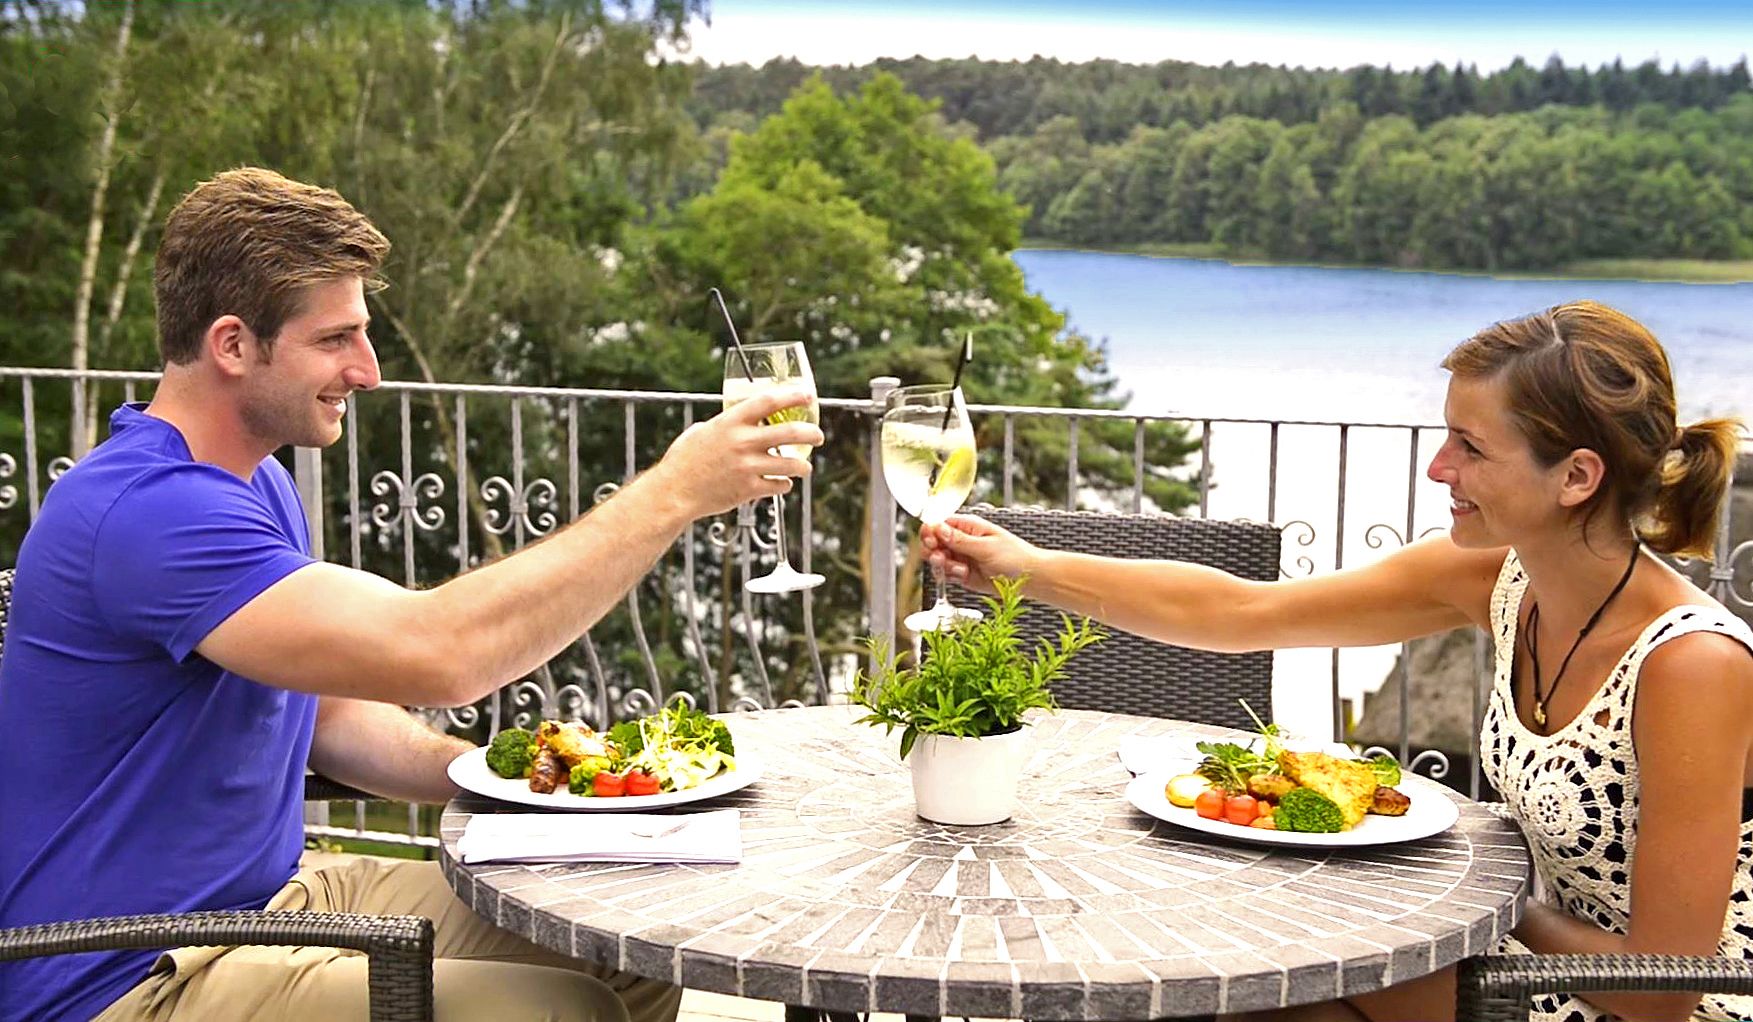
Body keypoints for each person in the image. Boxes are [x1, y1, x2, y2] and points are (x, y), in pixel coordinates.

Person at [0, 167, 822, 1022]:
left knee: (625, 942)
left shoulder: (254, 482)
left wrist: (509, 782)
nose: (368, 371)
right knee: (551, 1010)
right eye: (337, 339)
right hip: (126, 971)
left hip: (271, 899)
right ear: (233, 345)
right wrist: (673, 492)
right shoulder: (150, 511)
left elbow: (328, 716)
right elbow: (442, 653)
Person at [924, 300, 1752, 1022]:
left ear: (1575, 477)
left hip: (1633, 1002)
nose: (1438, 468)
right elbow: (1241, 612)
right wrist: (1023, 568)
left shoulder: (1691, 665)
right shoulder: (1497, 578)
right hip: (1523, 963)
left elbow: (1662, 990)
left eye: (1469, 447)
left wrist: (1474, 882)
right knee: (1217, 986)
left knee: (1245, 975)